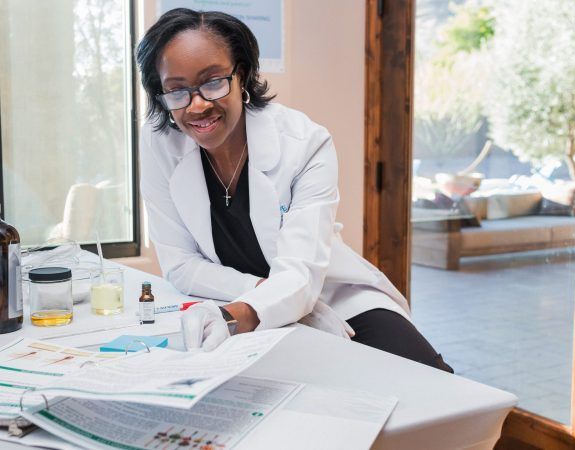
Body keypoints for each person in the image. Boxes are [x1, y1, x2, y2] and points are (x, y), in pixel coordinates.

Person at [136, 8, 452, 372]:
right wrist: (261, 298)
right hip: (230, 300)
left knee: (432, 380)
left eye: (213, 82)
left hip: (331, 296)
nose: (198, 104)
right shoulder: (160, 144)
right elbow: (181, 266)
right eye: (176, 91)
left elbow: (302, 272)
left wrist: (248, 312)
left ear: (243, 74)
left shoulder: (305, 143)